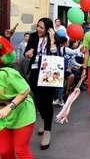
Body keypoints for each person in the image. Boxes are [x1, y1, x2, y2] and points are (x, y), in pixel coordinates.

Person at [24, 18, 60, 150]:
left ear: (48, 29)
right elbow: (27, 51)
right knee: (38, 101)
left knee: (47, 102)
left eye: (41, 28)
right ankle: (44, 120)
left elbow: (56, 54)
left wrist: (51, 38)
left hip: (48, 74)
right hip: (34, 72)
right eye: (38, 26)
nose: (38, 29)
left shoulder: (54, 37)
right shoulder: (33, 36)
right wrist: (28, 54)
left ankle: (47, 131)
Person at [0, 36, 36, 159]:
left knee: (21, 150)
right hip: (2, 116)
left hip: (22, 113)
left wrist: (9, 107)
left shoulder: (7, 73)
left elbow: (25, 90)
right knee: (4, 151)